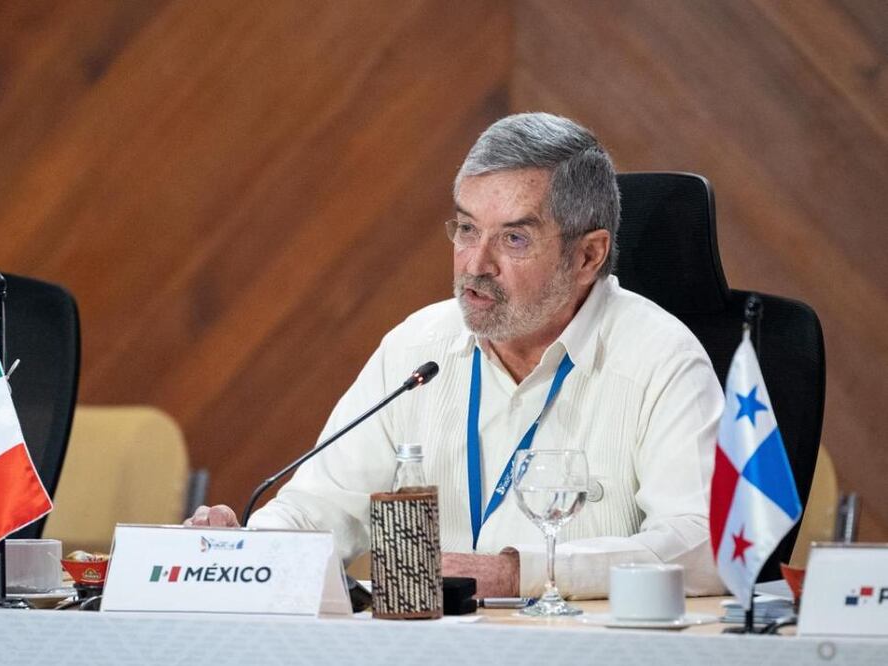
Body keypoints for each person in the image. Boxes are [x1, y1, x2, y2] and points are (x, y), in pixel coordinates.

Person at [186, 112, 726, 599]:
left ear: (588, 255)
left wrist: (521, 573)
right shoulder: (415, 350)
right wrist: (245, 552)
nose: (475, 264)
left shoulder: (663, 360)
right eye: (467, 229)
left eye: (513, 239)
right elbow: (319, 506)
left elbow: (705, 545)